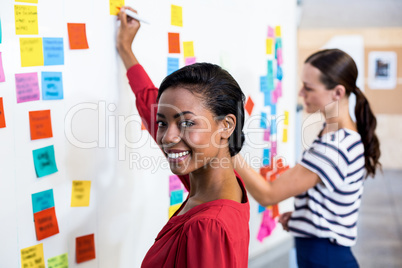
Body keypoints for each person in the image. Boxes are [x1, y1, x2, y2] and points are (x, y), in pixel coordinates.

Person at [116, 7, 250, 268]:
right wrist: (125, 48)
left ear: (226, 126)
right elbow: (149, 104)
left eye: (187, 122)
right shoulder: (215, 181)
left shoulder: (207, 226)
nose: (167, 137)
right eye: (162, 123)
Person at [234, 48, 381, 267]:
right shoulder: (334, 133)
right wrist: (304, 217)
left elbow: (268, 194)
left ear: (337, 93)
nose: (301, 94)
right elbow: (330, 196)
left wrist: (228, 151)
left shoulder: (336, 145)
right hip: (321, 251)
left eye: (308, 88)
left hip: (326, 257)